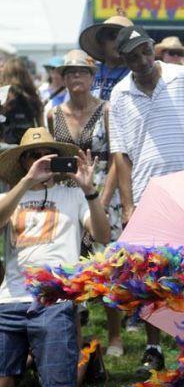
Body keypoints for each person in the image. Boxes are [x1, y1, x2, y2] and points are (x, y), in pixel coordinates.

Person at [109, 25, 184, 373]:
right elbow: (120, 155)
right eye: (134, 56)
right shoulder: (120, 95)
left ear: (152, 48)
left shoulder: (182, 78)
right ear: (123, 60)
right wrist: (127, 205)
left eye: (145, 50)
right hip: (147, 192)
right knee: (152, 275)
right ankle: (154, 348)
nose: (143, 59)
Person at [0, 128, 110, 387]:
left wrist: (90, 191)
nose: (42, 159)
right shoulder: (9, 197)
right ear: (23, 161)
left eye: (48, 154)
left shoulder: (72, 195)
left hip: (55, 298)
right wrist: (27, 181)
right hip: (10, 299)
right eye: (33, 155)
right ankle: (34, 355)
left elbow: (102, 235)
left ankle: (87, 353)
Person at [47, 49, 124, 356]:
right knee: (69, 261)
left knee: (108, 264)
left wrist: (102, 201)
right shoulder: (52, 113)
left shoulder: (106, 109)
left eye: (81, 71)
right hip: (66, 194)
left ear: (93, 77)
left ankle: (116, 336)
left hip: (104, 189)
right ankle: (73, 333)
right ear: (62, 78)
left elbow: (119, 156)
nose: (75, 77)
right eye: (69, 72)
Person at [79, 15, 132, 101]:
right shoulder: (91, 71)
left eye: (123, 37)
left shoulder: (137, 73)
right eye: (113, 36)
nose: (118, 41)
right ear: (101, 41)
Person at [0, 58, 44, 146]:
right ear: (25, 75)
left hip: (6, 148)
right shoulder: (33, 97)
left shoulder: (3, 95)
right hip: (29, 146)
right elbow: (40, 125)